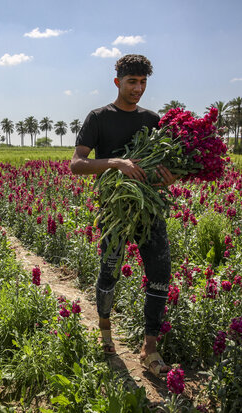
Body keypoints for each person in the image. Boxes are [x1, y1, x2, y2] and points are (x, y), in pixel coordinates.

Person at [70, 54, 176, 376]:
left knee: (160, 272)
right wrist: (116, 162)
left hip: (148, 210)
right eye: (132, 82)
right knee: (110, 271)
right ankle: (105, 330)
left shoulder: (153, 120)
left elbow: (162, 164)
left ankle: (150, 348)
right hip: (115, 210)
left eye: (143, 82)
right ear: (117, 82)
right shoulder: (98, 118)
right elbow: (76, 164)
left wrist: (170, 175)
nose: (138, 88)